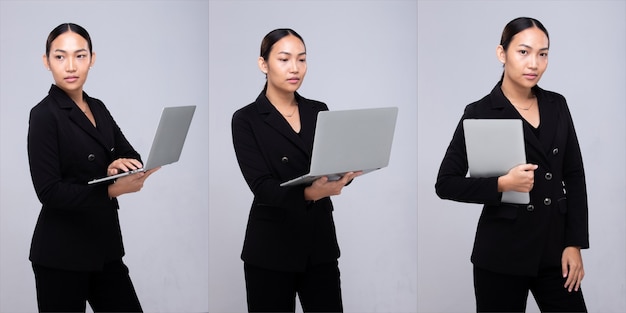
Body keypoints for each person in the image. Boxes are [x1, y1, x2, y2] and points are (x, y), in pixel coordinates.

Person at [435, 17, 589, 312]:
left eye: (543, 54)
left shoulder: (557, 105)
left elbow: (574, 176)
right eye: (524, 52)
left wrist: (575, 243)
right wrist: (501, 185)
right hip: (502, 253)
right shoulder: (480, 111)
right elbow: (445, 183)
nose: (534, 63)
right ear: (501, 53)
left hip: (556, 250)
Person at [27, 23, 158, 312]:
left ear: (92, 59)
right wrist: (110, 190)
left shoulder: (97, 106)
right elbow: (49, 192)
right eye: (60, 57)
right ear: (46, 61)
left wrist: (118, 165)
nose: (71, 65)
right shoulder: (44, 115)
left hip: (104, 248)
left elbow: (129, 152)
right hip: (60, 254)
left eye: (80, 55)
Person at [231, 28, 360, 313]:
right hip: (270, 248)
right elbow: (262, 186)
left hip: (319, 244)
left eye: (302, 60)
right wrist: (311, 192)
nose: (295, 68)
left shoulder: (318, 109)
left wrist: (347, 171)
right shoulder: (246, 119)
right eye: (284, 59)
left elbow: (330, 165)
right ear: (263, 64)